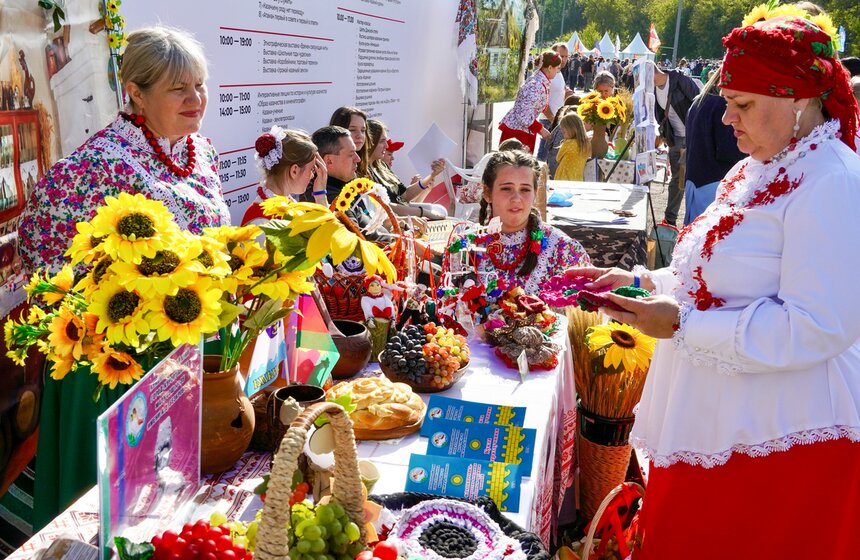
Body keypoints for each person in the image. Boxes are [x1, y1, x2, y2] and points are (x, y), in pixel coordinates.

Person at [577, 15, 860, 558]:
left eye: (743, 103)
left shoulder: (833, 181)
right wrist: (640, 282)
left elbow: (818, 326)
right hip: (719, 423)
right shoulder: (754, 168)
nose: (725, 116)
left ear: (798, 98)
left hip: (780, 440)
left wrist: (682, 326)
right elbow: (708, 277)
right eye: (726, 99)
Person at [17, 26, 230, 529]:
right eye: (179, 88)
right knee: (118, 510)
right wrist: (115, 296)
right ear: (136, 91)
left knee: (172, 503)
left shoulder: (200, 149)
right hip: (124, 360)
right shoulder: (100, 162)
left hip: (182, 346)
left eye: (199, 84)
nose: (196, 98)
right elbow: (37, 241)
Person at [469, 150, 589, 294]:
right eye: (506, 188)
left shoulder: (563, 249)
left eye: (525, 189)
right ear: (487, 193)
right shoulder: (467, 246)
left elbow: (583, 310)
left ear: (535, 194)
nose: (516, 198)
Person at [682, 69, 745, 225]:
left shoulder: (698, 101)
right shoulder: (720, 106)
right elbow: (728, 150)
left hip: (695, 178)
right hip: (713, 182)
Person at [240, 126, 329, 225]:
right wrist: (320, 196)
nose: (313, 175)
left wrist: (320, 196)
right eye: (312, 169)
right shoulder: (261, 221)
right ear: (294, 171)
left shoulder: (288, 202)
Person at [365, 118, 447, 220]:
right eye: (382, 141)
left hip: (403, 215)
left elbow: (405, 195)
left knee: (441, 211)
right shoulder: (363, 173)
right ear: (370, 142)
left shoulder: (382, 166)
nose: (386, 146)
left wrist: (432, 175)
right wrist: (423, 213)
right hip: (392, 222)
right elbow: (387, 206)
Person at [651, 60, 700, 226]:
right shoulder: (653, 88)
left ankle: (692, 220)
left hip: (691, 136)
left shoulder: (679, 80)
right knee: (676, 180)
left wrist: (698, 132)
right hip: (674, 138)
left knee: (689, 179)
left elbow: (699, 102)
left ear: (653, 73)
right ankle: (671, 220)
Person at [498, 51, 563, 152]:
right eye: (557, 68)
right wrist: (541, 129)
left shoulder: (538, 81)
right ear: (550, 68)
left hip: (521, 130)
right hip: (518, 133)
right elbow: (524, 114)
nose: (558, 72)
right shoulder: (536, 84)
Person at [329, 106, 370, 178]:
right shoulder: (334, 171)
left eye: (363, 130)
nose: (359, 135)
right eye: (352, 130)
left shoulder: (366, 167)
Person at [554, 112, 591, 181]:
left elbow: (558, 158)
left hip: (564, 176)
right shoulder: (586, 143)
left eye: (564, 132)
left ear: (571, 129)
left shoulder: (568, 143)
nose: (562, 133)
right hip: (577, 177)